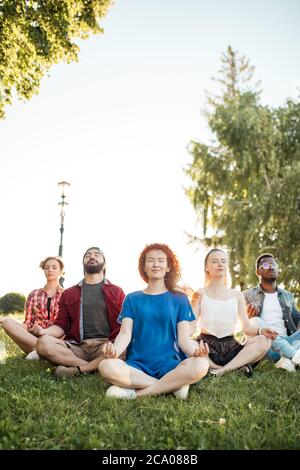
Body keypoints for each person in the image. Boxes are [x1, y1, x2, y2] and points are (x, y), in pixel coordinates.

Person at [99, 243, 209, 400]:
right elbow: (125, 333)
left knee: (201, 364)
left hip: (171, 365)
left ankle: (135, 394)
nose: (156, 264)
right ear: (143, 267)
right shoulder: (132, 298)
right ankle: (172, 386)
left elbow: (184, 339)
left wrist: (196, 352)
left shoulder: (180, 299)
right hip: (137, 365)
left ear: (168, 267)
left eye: (160, 260)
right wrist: (114, 351)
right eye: (150, 260)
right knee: (106, 366)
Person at [34, 247, 125, 378]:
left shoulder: (117, 292)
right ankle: (92, 368)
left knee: (126, 347)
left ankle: (78, 369)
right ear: (83, 263)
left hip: (105, 346)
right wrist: (44, 332)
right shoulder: (69, 293)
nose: (92, 256)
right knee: (43, 343)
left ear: (104, 264)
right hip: (78, 347)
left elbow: (123, 326)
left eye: (97, 254)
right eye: (88, 255)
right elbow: (61, 325)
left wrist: (114, 345)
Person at [191, 248, 277, 377]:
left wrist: (260, 331)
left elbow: (246, 328)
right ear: (207, 267)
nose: (220, 264)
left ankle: (220, 371)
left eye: (223, 261)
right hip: (207, 348)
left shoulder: (237, 295)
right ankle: (236, 366)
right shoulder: (200, 293)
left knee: (265, 341)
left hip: (232, 347)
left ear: (227, 266)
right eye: (215, 261)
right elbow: (192, 325)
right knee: (187, 345)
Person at [243, 253, 300, 372]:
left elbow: (297, 319)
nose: (271, 267)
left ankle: (286, 360)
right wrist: (247, 317)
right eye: (265, 264)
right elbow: (242, 325)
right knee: (255, 320)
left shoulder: (288, 296)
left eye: (274, 264)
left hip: (287, 340)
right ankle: (294, 354)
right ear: (258, 272)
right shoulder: (246, 295)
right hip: (265, 346)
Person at [0, 256, 64, 360]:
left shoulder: (67, 295)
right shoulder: (33, 294)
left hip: (58, 341)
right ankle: (40, 350)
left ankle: (43, 351)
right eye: (46, 267)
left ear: (61, 271)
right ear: (43, 270)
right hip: (33, 339)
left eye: (54, 267)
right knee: (7, 322)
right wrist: (6, 320)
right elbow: (28, 323)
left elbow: (68, 326)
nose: (50, 270)